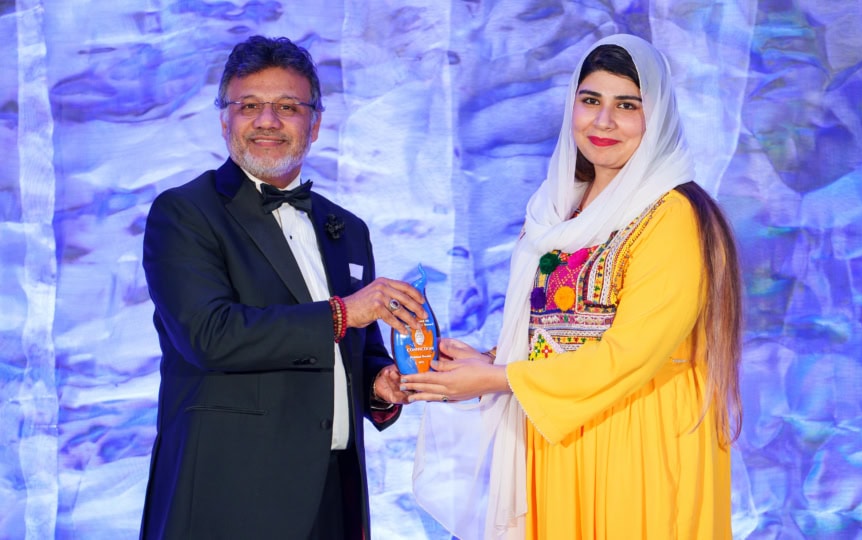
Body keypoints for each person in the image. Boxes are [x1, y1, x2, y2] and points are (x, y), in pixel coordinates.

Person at [404, 34, 743, 539]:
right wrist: (485, 363)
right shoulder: (559, 209)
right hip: (559, 434)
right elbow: (559, 333)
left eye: (627, 105)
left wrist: (499, 379)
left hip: (638, 439)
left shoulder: (673, 214)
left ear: (658, 117)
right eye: (590, 101)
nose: (603, 121)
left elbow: (631, 354)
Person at [140, 35, 421, 539]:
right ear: (224, 117)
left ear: (315, 123)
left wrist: (382, 385)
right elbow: (210, 334)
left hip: (335, 495)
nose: (267, 121)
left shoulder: (347, 227)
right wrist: (342, 314)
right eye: (250, 105)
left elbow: (361, 351)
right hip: (229, 497)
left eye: (287, 107)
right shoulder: (184, 213)